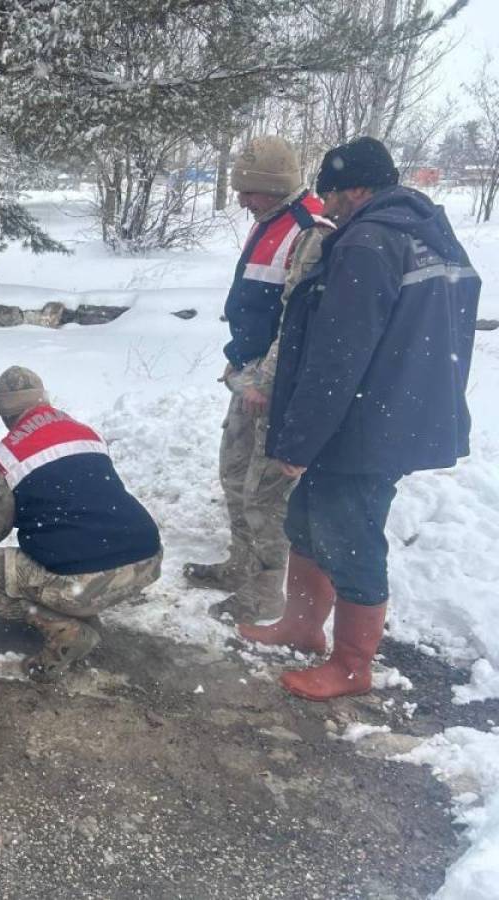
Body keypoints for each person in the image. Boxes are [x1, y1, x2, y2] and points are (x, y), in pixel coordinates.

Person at [240, 136, 481, 701]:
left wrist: (298, 439)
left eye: (331, 196)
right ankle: (301, 627)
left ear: (355, 188)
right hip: (400, 412)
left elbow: (336, 355)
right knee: (306, 519)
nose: (327, 210)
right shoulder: (431, 236)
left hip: (365, 422)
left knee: (349, 534)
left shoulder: (369, 242)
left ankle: (351, 666)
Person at [184, 136, 334, 621]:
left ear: (276, 187)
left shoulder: (309, 230)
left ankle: (265, 592)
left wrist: (265, 381)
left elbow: (297, 323)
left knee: (263, 493)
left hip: (274, 386)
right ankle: (240, 565)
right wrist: (238, 360)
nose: (243, 201)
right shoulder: (271, 220)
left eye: (250, 191)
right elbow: (257, 307)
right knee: (233, 474)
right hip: (249, 376)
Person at [0, 367, 163, 683]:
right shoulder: (86, 433)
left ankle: (67, 627)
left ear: (3, 412)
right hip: (145, 561)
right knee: (78, 540)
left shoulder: (3, 460)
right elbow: (74, 495)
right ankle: (83, 604)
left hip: (85, 578)